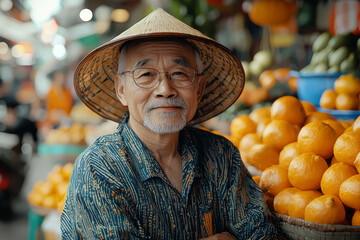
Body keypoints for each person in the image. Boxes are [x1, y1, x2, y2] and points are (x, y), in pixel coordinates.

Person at [61, 9, 280, 239]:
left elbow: (263, 233)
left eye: (179, 73)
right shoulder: (99, 168)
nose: (165, 89)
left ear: (199, 88)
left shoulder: (221, 155)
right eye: (146, 74)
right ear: (121, 90)